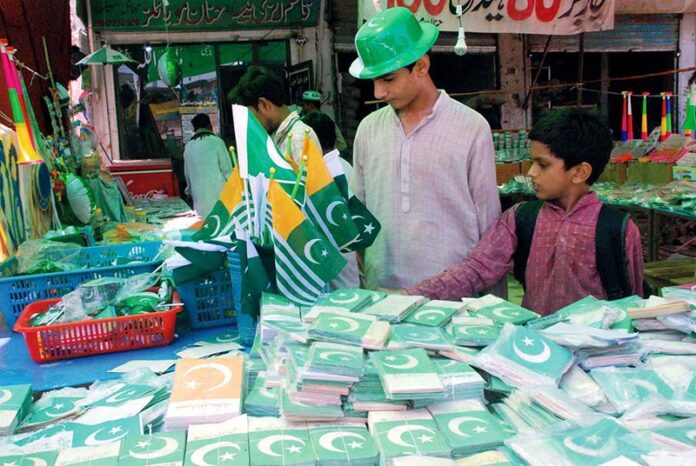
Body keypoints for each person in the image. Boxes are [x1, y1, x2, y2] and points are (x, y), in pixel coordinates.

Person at [406, 107, 645, 315]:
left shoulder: (618, 229)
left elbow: (632, 302)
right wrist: (411, 295)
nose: (531, 172)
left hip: (599, 354)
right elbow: (476, 270)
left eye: (542, 164)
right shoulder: (521, 218)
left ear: (580, 172)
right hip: (534, 350)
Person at [350, 7, 501, 291]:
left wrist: (492, 304)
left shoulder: (471, 127)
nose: (378, 93)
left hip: (452, 299)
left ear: (421, 66)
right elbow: (361, 214)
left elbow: (489, 225)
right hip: (383, 294)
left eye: (388, 79)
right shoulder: (368, 130)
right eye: (374, 81)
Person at [303, 111, 360, 289]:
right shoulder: (345, 167)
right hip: (347, 258)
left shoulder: (310, 173)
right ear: (334, 141)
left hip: (321, 256)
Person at [229, 66, 320, 164]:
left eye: (251, 117)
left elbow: (311, 179)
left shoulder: (298, 138)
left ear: (264, 105)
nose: (251, 125)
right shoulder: (280, 136)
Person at [183, 113, 233, 218]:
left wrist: (188, 192)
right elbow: (227, 171)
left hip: (199, 200)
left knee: (204, 226)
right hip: (220, 197)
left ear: (194, 129)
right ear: (209, 126)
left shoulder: (188, 147)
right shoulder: (217, 142)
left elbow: (187, 174)